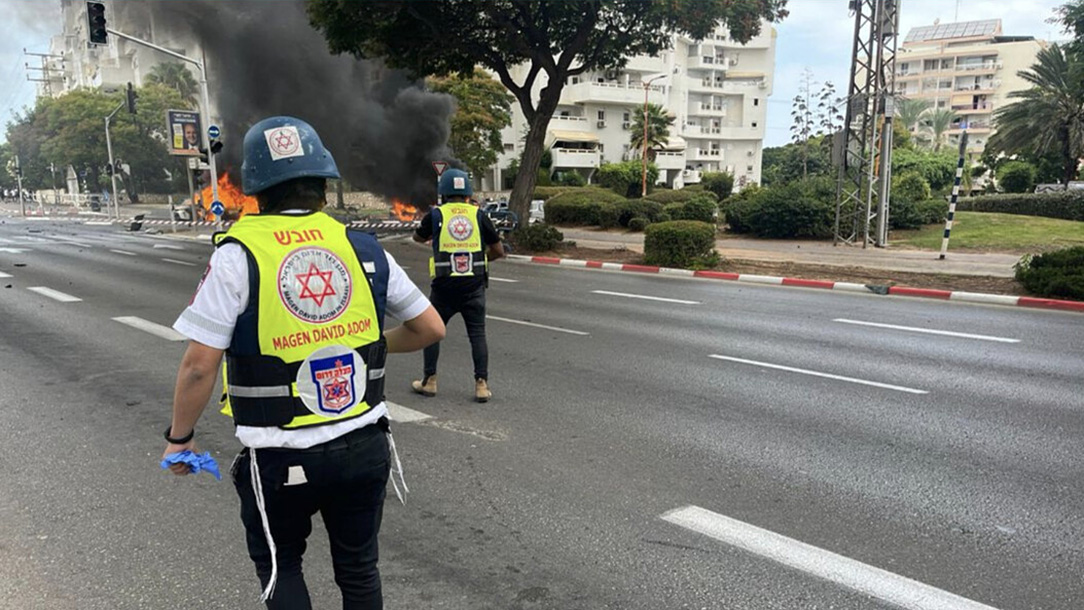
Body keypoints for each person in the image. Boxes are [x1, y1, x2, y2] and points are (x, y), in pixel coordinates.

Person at [162, 116, 445, 609]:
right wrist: (362, 347)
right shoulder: (362, 246)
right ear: (322, 184)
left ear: (255, 191)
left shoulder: (239, 254)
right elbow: (430, 328)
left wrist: (179, 438)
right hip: (364, 446)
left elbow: (199, 365)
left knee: (282, 565)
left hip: (280, 454)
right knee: (359, 570)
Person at [411, 169, 504, 402]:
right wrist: (482, 260)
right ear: (467, 193)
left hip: (443, 289)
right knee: (477, 334)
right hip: (474, 287)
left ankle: (430, 381)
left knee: (432, 332)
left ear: (443, 192)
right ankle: (481, 385)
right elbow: (498, 250)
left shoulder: (436, 215)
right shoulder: (478, 215)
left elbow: (417, 238)